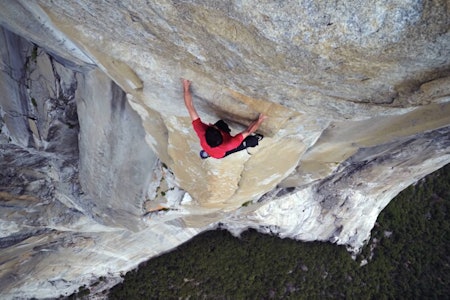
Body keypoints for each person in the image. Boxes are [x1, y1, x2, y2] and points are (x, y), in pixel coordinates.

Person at [182, 78, 267, 159]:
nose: (210, 124)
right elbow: (248, 131)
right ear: (222, 134)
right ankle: (255, 140)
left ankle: (208, 151)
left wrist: (186, 87)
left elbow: (190, 107)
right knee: (249, 142)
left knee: (221, 123)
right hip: (221, 154)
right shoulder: (230, 144)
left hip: (210, 145)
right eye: (213, 126)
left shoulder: (200, 130)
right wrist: (260, 120)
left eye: (211, 126)